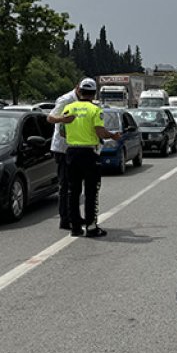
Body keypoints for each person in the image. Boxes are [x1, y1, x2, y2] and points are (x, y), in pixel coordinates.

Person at [54, 78, 121, 238]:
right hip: (89, 153)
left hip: (71, 152)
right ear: (94, 93)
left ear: (80, 91)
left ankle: (75, 227)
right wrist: (112, 135)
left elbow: (62, 132)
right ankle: (91, 227)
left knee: (73, 191)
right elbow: (99, 131)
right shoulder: (95, 110)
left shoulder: (69, 108)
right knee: (91, 191)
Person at [46, 80, 84, 230]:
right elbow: (50, 118)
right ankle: (65, 218)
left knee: (75, 185)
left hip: (76, 147)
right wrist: (64, 119)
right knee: (65, 185)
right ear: (76, 88)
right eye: (82, 90)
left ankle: (74, 215)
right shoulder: (66, 100)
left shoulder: (82, 101)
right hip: (63, 148)